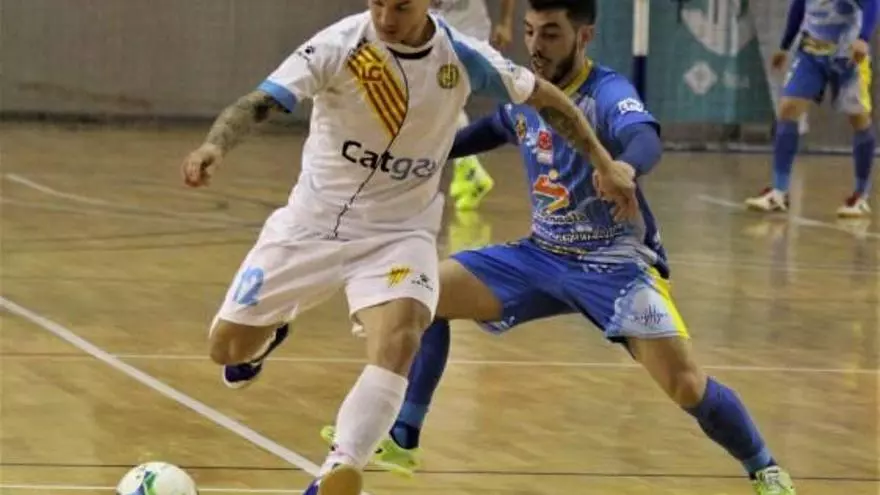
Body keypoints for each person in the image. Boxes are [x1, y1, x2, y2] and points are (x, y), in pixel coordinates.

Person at [316, 1, 798, 493]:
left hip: (613, 265)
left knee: (686, 385)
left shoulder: (607, 92)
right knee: (423, 295)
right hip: (542, 254)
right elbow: (492, 129)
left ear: (583, 36)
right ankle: (403, 435)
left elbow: (644, 137)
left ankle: (765, 469)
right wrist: (413, 154)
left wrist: (626, 166)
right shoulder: (527, 90)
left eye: (550, 34)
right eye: (529, 32)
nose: (535, 46)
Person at [180, 0, 637, 493]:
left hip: (399, 233)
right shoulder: (339, 45)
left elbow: (546, 98)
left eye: (400, 6)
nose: (386, 18)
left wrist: (604, 161)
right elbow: (260, 102)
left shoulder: (463, 56)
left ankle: (340, 465)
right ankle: (267, 335)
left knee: (402, 335)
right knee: (225, 348)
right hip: (310, 226)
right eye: (378, 3)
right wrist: (214, 145)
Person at [745, 0, 877, 218]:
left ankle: (860, 195)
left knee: (859, 119)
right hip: (811, 55)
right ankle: (779, 192)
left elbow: (872, 2)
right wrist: (785, 46)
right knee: (788, 108)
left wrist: (863, 38)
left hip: (848, 58)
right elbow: (798, 7)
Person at [429, 0, 516, 210]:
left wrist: (505, 22)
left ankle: (469, 171)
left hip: (466, 32)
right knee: (439, 101)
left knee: (444, 99)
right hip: (431, 30)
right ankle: (468, 170)